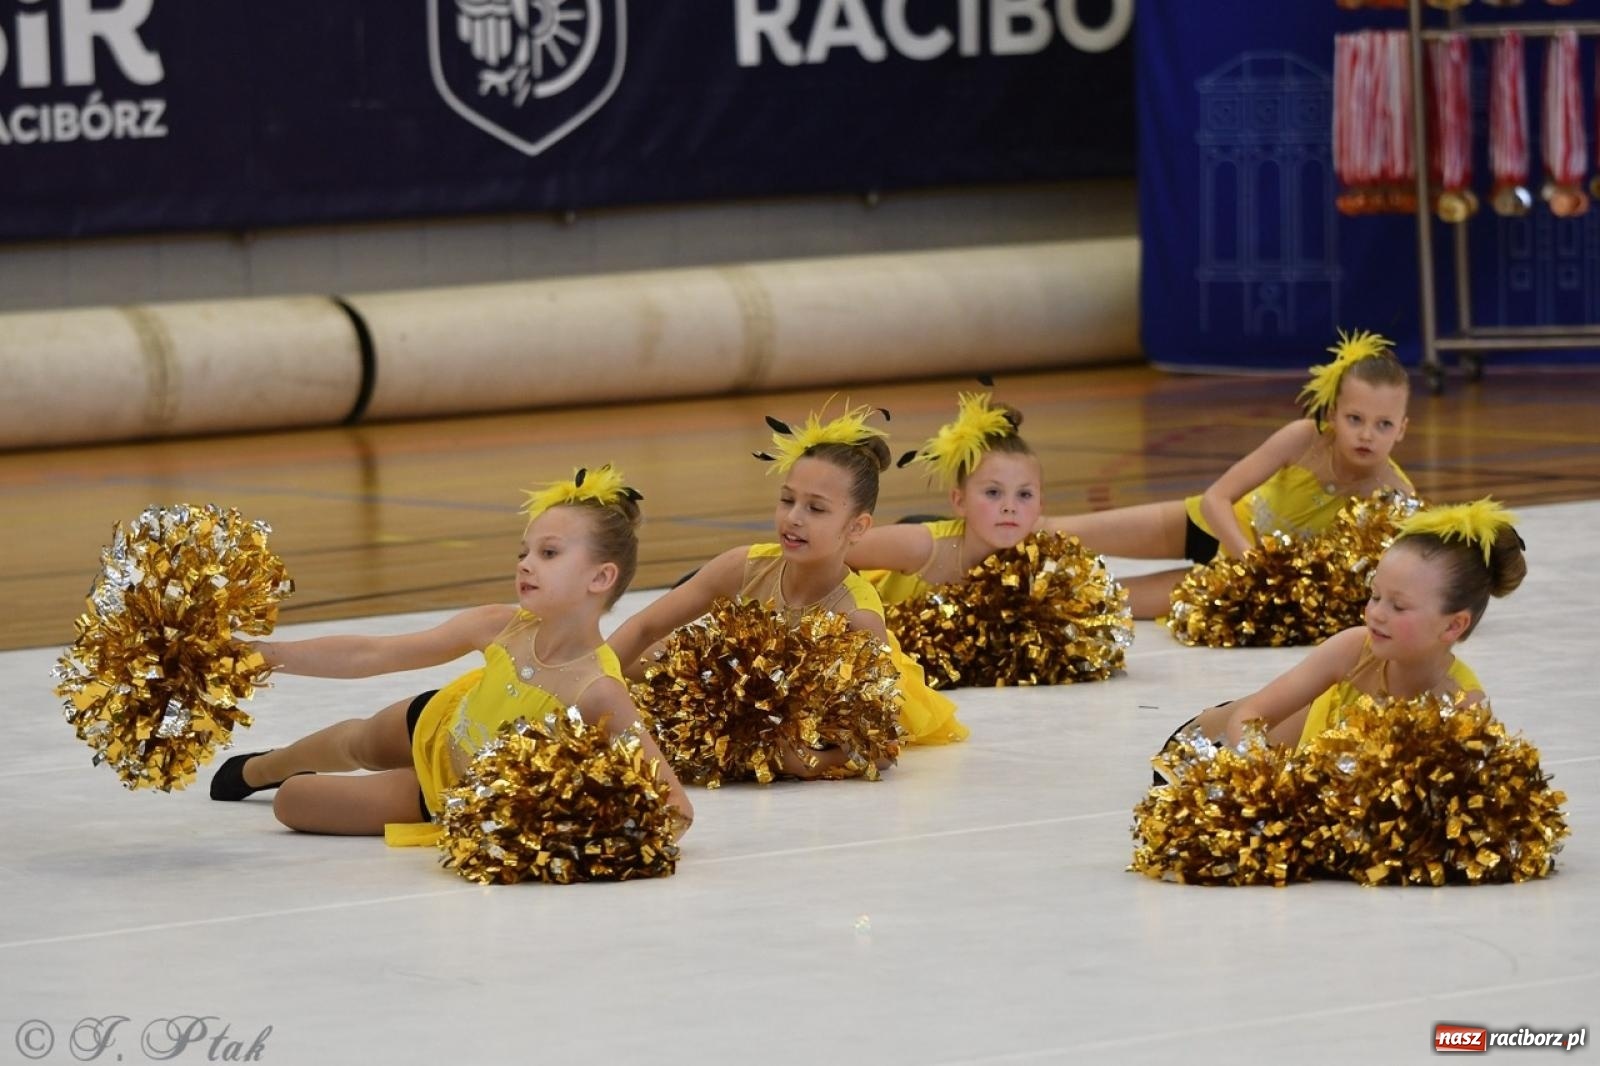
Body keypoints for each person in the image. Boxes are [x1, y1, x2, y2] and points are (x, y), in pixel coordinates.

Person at [208, 465, 693, 846]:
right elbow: (375, 653)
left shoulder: (599, 692)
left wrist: (580, 839)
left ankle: (284, 780)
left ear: (600, 578)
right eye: (523, 552)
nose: (525, 563)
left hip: (456, 792)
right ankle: (263, 767)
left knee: (292, 804)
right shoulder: (500, 625)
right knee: (357, 743)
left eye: (548, 554)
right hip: (440, 725)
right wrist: (268, 654)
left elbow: (676, 807)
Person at [608, 403, 969, 763]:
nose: (793, 518)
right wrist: (587, 688)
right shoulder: (744, 566)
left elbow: (880, 743)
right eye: (787, 500)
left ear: (857, 527)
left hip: (814, 712)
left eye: (816, 508)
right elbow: (645, 626)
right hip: (749, 687)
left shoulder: (857, 618)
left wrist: (810, 764)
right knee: (651, 658)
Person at [1046, 330, 1415, 618]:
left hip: (1236, 581)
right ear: (1333, 413)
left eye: (1383, 424)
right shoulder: (1303, 438)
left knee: (1092, 600)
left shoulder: (1396, 496)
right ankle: (989, 544)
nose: (1367, 434)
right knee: (1059, 532)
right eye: (1355, 419)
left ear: (1401, 429)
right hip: (1210, 527)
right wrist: (1252, 561)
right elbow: (1215, 498)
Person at [1170, 498, 1525, 761]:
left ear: (1454, 624)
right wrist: (1264, 772)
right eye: (1375, 596)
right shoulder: (1356, 647)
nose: (1376, 614)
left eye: (1398, 606)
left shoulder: (1463, 705)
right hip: (1216, 746)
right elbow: (1248, 718)